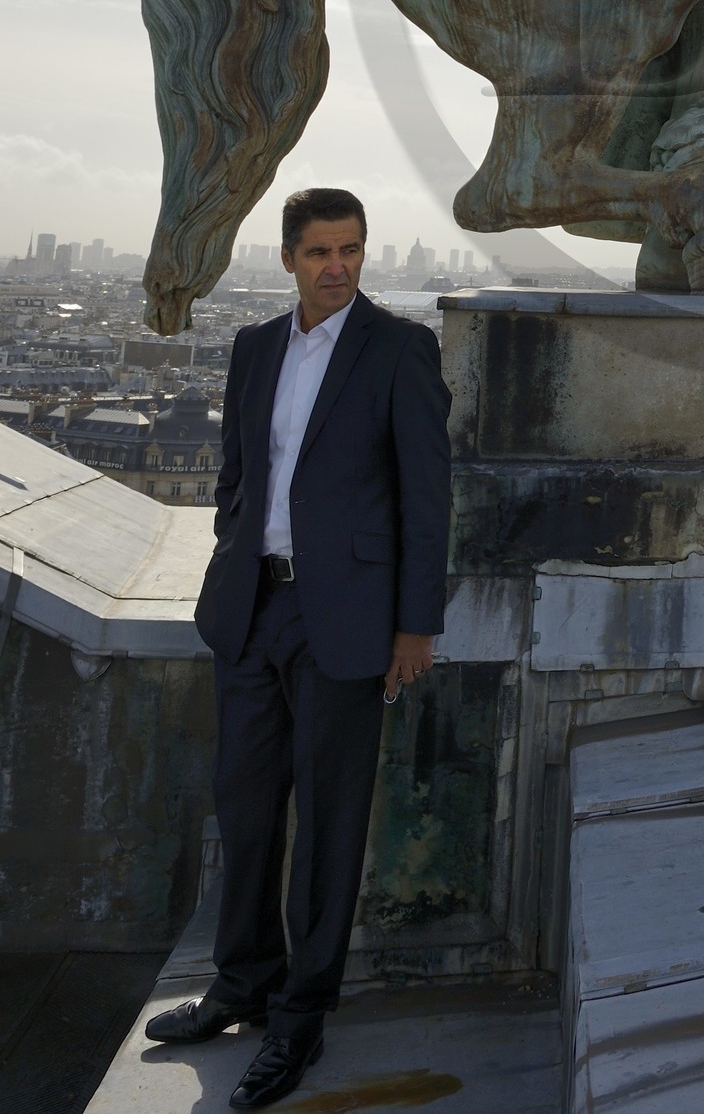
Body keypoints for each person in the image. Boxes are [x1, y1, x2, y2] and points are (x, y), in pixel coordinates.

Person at [146, 187, 451, 1108]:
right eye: (320, 250)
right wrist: (237, 552)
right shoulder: (252, 348)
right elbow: (239, 475)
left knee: (326, 824)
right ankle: (241, 983)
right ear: (286, 258)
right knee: (243, 810)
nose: (338, 266)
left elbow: (428, 497)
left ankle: (301, 1014)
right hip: (252, 611)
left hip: (348, 621)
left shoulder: (400, 348)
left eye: (351, 249)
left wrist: (415, 624)